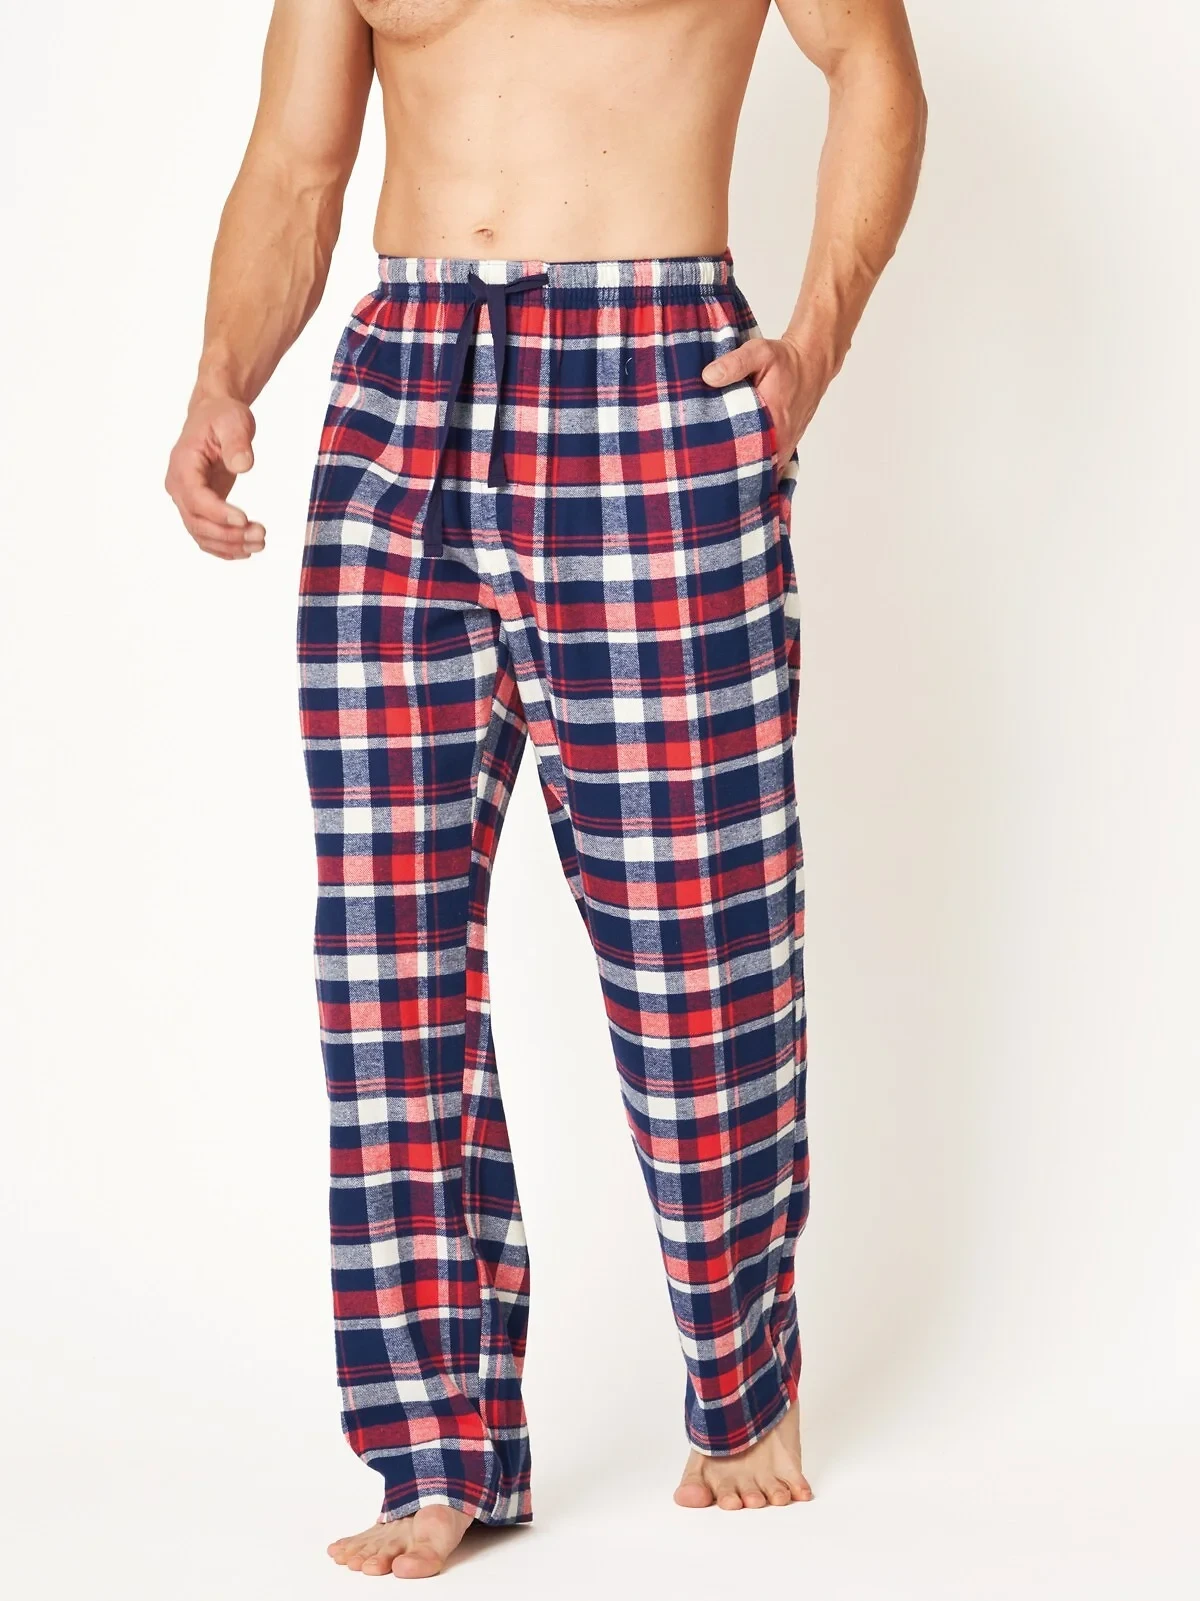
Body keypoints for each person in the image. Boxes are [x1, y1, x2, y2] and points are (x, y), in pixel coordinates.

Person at [165, 0, 925, 1580]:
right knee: (386, 956)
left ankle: (742, 1381)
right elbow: (297, 168)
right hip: (402, 388)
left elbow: (873, 65)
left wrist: (814, 342)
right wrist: (223, 376)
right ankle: (437, 1448)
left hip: (651, 370)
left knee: (695, 938)